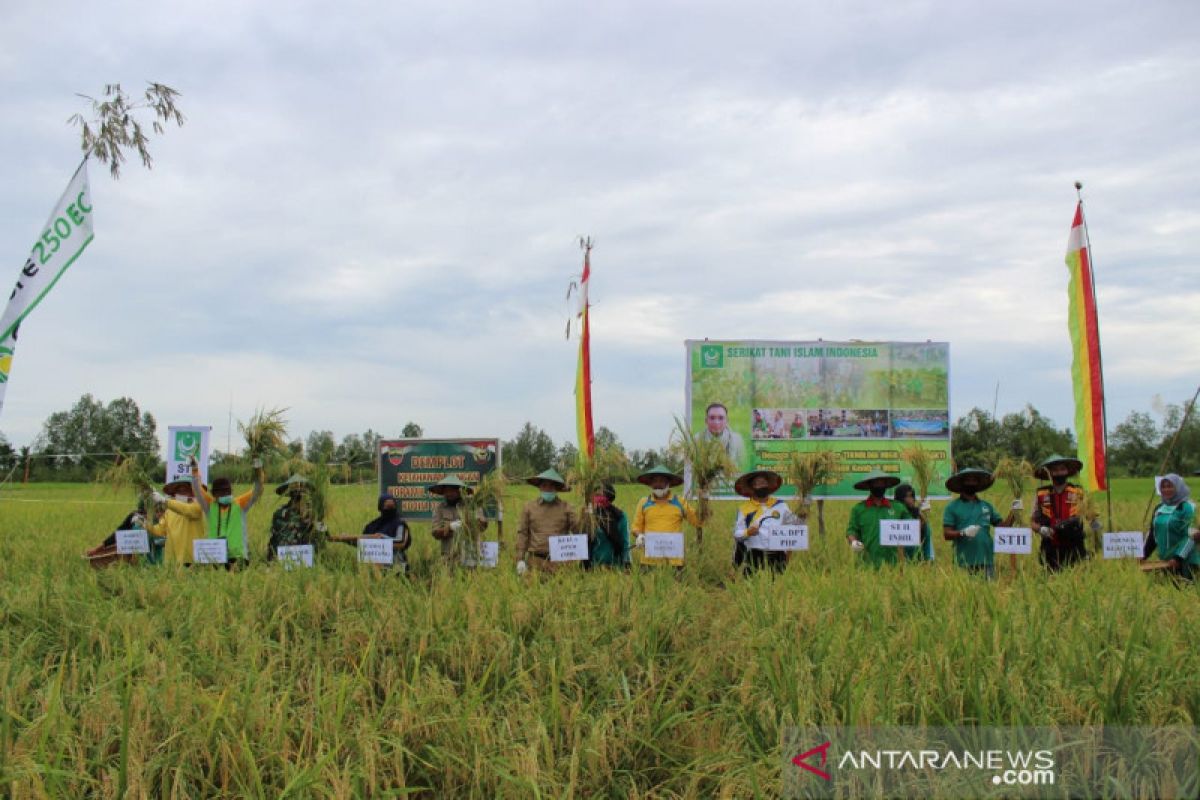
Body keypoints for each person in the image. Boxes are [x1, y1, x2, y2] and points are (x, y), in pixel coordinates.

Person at [941, 468, 1018, 578]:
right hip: (964, 561)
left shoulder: (986, 506)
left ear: (978, 484)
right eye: (968, 480)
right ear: (962, 483)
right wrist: (963, 533)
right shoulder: (952, 507)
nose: (971, 483)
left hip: (986, 559)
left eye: (974, 480)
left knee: (988, 591)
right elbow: (947, 534)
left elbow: (1003, 527)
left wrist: (1014, 511)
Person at [191, 457, 264, 569]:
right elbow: (197, 489)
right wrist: (195, 469)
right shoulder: (210, 506)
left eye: (227, 491)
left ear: (231, 491)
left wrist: (258, 471)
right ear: (214, 495)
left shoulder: (240, 504)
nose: (224, 494)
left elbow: (258, 490)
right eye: (221, 492)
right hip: (215, 557)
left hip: (238, 557)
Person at [1030, 454, 1093, 571]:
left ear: (1067, 472)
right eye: (1055, 470)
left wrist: (1097, 533)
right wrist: (1040, 529)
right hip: (1050, 545)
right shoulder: (1041, 494)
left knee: (1078, 579)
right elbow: (1032, 521)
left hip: (1075, 544)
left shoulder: (1078, 491)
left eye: (1062, 469)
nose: (1059, 473)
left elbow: (1091, 516)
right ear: (1049, 473)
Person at [630, 465, 698, 569]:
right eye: (655, 481)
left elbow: (697, 521)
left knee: (676, 585)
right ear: (651, 484)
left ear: (668, 483)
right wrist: (639, 536)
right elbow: (636, 527)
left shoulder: (679, 502)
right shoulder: (644, 502)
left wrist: (704, 503)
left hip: (674, 560)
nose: (658, 484)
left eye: (662, 481)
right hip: (649, 559)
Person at [515, 468, 579, 575]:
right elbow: (523, 533)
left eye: (552, 486)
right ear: (539, 487)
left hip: (560, 562)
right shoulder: (529, 507)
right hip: (535, 561)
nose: (548, 489)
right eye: (544, 485)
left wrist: (586, 515)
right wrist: (520, 559)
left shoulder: (567, 507)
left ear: (557, 488)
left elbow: (578, 531)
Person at [731, 469, 795, 574]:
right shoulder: (744, 509)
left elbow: (792, 530)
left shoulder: (781, 505)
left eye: (765, 483)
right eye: (758, 483)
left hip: (777, 555)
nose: (762, 486)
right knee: (751, 586)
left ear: (769, 486)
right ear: (752, 487)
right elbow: (737, 534)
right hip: (754, 555)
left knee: (778, 587)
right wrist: (748, 532)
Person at [1142, 474, 1198, 581]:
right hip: (1166, 561)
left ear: (1178, 487)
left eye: (1170, 486)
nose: (1166, 489)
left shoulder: (1187, 507)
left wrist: (1178, 558)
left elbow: (1191, 536)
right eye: (1163, 487)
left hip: (1186, 561)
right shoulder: (1159, 508)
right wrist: (1144, 555)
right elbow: (1153, 534)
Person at [845, 471, 903, 567]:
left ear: (886, 485)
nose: (879, 485)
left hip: (893, 564)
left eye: (882, 483)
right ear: (869, 485)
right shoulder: (859, 509)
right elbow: (851, 531)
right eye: (876, 483)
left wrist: (920, 508)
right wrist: (854, 542)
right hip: (866, 564)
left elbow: (914, 527)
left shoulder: (897, 507)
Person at [429, 475, 488, 565]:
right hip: (448, 556)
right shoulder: (439, 508)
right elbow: (435, 533)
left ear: (460, 490)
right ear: (443, 492)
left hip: (470, 553)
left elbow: (483, 526)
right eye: (447, 491)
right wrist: (449, 527)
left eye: (452, 490)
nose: (449, 493)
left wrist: (475, 521)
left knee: (470, 577)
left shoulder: (471, 504)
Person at [145, 478, 207, 565]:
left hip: (190, 559)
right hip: (172, 560)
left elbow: (187, 510)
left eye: (185, 490)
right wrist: (145, 524)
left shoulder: (197, 507)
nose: (182, 493)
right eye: (179, 491)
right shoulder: (169, 510)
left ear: (192, 492)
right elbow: (160, 530)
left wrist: (165, 501)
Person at [267, 475, 328, 560]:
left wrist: (317, 520)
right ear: (294, 500)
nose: (307, 503)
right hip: (285, 558)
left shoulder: (313, 514)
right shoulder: (281, 514)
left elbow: (324, 536)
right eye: (303, 499)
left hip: (306, 558)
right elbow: (280, 539)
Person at [360, 493, 412, 575]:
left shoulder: (400, 524)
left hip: (397, 563)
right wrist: (345, 539)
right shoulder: (371, 526)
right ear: (380, 508)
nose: (390, 509)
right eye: (387, 507)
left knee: (400, 584)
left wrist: (382, 537)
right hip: (374, 567)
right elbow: (362, 544)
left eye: (392, 507)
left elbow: (400, 541)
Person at [588, 482, 630, 569]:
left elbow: (625, 542)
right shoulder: (591, 516)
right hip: (595, 566)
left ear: (609, 496)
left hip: (614, 565)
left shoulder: (620, 516)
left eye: (600, 495)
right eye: (595, 495)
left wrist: (627, 562)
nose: (597, 498)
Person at [893, 483, 933, 561]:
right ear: (900, 497)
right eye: (908, 496)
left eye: (912, 496)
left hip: (917, 557)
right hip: (900, 557)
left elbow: (924, 534)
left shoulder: (916, 513)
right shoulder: (894, 513)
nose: (912, 499)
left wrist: (921, 513)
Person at [702, 402, 746, 467]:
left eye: (721, 418)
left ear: (727, 421)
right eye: (712, 418)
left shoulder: (737, 439)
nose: (716, 422)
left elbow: (743, 465)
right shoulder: (696, 440)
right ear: (706, 421)